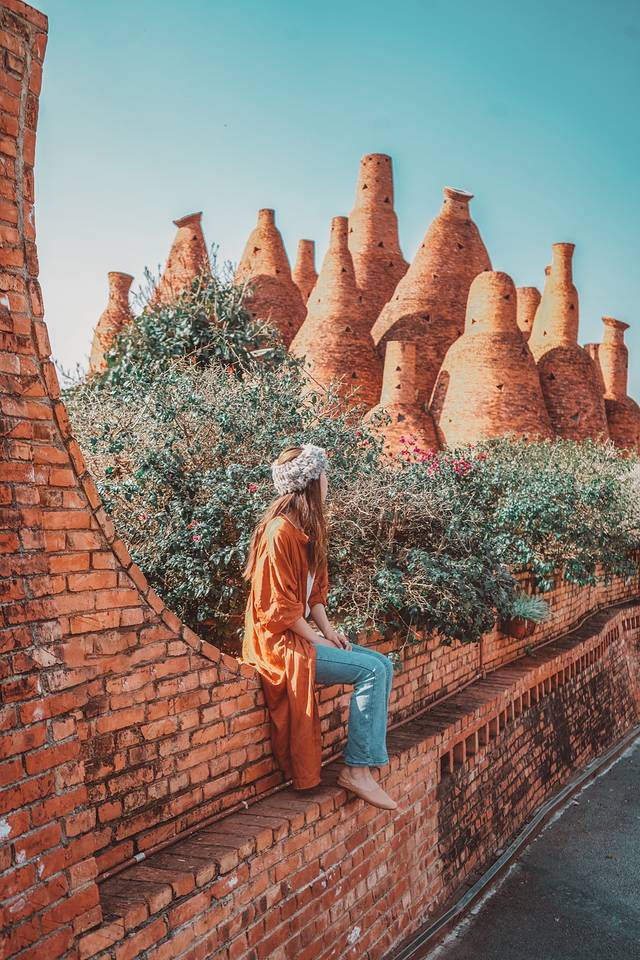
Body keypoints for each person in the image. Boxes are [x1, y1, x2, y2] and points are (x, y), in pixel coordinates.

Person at [241, 443, 397, 811]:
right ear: (311, 482)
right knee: (371, 672)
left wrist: (328, 632)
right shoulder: (279, 532)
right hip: (279, 642)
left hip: (301, 633)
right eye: (324, 474)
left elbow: (314, 594)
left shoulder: (307, 529)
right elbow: (277, 607)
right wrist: (314, 639)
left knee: (383, 664)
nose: (328, 480)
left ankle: (365, 765)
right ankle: (357, 770)